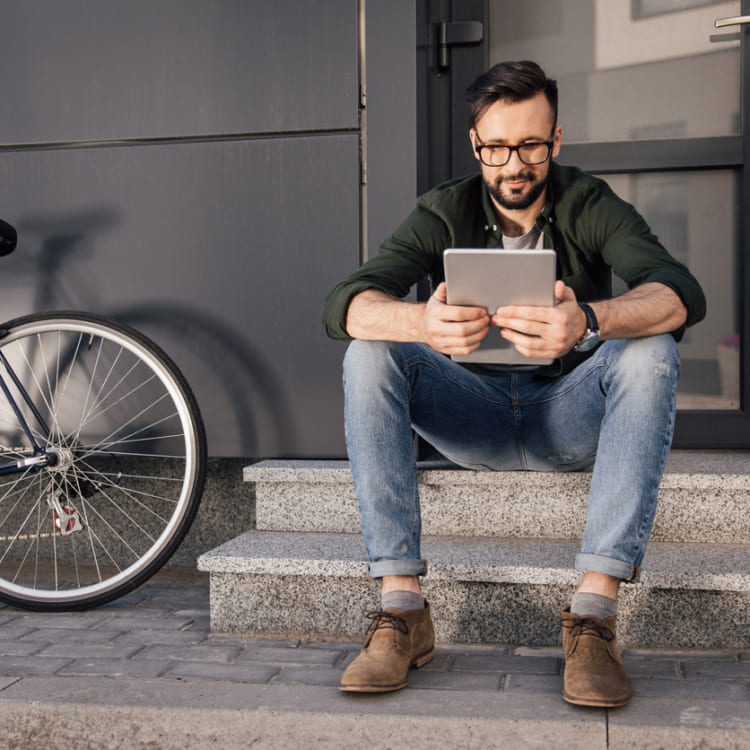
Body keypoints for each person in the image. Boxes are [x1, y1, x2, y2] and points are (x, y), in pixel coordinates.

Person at [321, 60, 706, 707]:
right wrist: (423, 321)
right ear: (476, 145)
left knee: (650, 347)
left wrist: (586, 319)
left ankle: (593, 617)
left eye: (530, 144)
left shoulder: (588, 202)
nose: (514, 164)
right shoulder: (446, 208)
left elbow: (679, 293)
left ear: (554, 141)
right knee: (369, 352)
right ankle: (402, 611)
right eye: (497, 147)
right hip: (472, 417)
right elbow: (344, 304)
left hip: (567, 417)